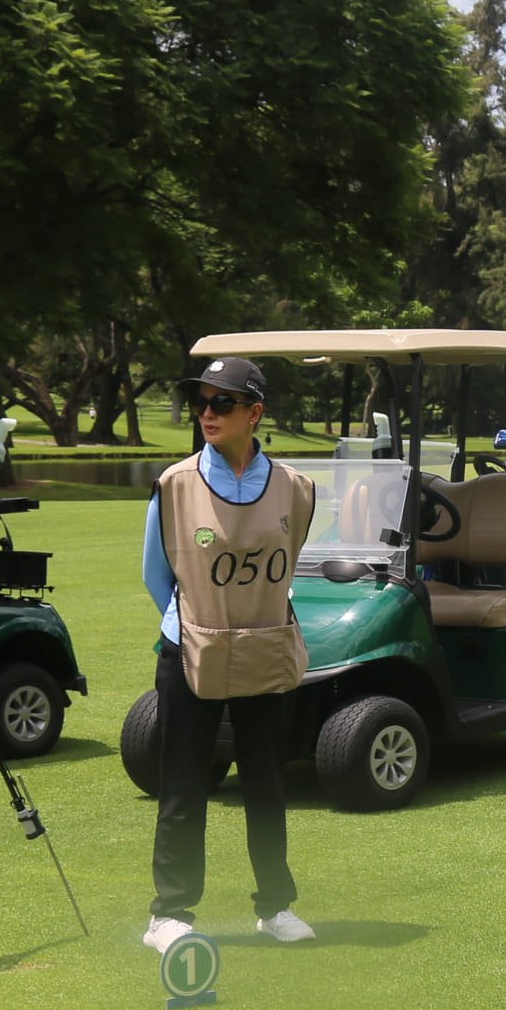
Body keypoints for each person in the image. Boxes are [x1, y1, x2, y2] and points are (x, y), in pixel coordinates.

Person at [141, 356, 317, 954]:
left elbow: (286, 562)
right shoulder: (174, 484)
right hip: (191, 648)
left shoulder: (295, 487)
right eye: (201, 402)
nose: (206, 413)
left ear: (254, 413)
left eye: (222, 402)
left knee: (266, 785)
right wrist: (196, 627)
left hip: (266, 646)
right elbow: (157, 574)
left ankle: (275, 907)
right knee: (183, 784)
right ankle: (169, 914)